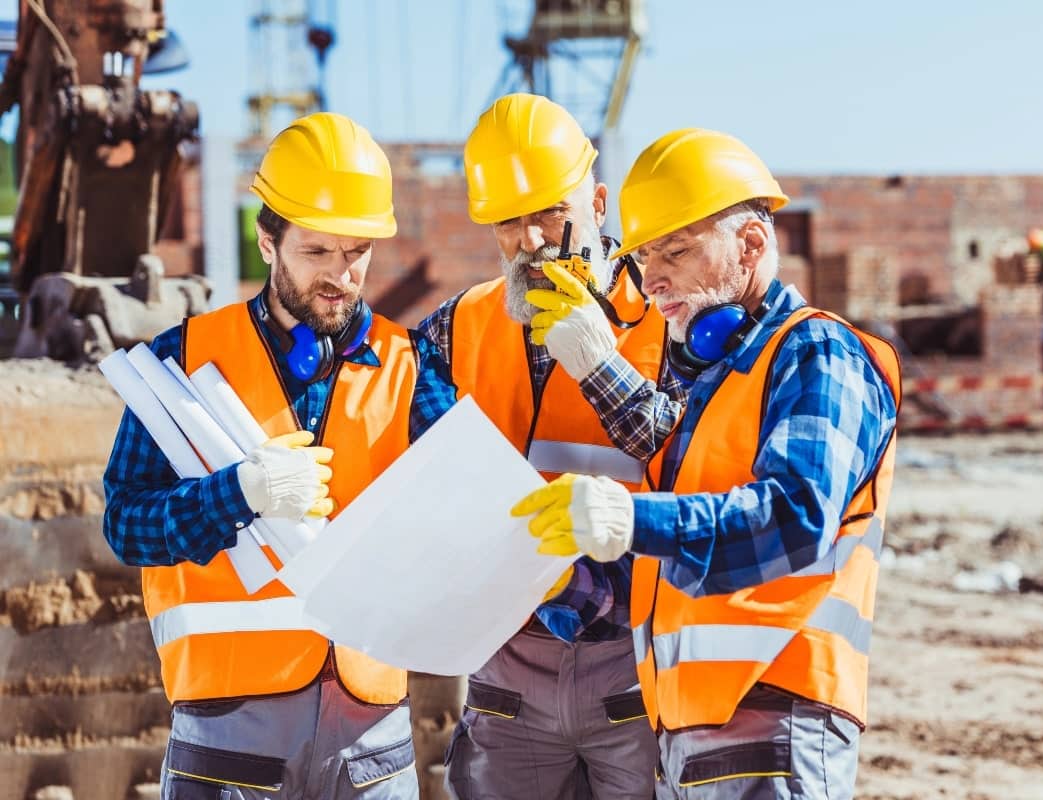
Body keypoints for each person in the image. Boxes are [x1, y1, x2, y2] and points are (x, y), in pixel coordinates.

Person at [512, 128, 902, 799]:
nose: (651, 278)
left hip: (775, 727)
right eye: (641, 258)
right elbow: (678, 564)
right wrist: (553, 585)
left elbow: (795, 516)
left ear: (751, 246)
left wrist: (630, 517)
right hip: (694, 739)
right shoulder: (715, 382)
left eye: (676, 250)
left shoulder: (816, 352)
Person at [102, 112, 456, 799]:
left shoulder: (413, 368)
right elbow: (126, 524)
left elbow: (460, 502)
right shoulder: (184, 363)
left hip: (370, 735)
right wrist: (239, 493)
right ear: (268, 241)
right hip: (231, 731)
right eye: (316, 252)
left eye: (356, 253)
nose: (340, 276)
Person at [423, 93, 685, 799]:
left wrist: (601, 365)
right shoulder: (460, 325)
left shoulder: (672, 317)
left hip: (633, 660)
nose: (532, 240)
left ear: (598, 203)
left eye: (550, 213)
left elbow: (698, 466)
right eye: (509, 222)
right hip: (509, 666)